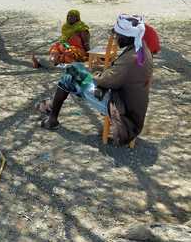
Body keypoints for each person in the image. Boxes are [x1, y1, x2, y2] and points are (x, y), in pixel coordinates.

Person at [41, 14, 153, 146]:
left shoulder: (131, 59)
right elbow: (115, 76)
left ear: (127, 37)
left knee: (70, 76)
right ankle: (51, 107)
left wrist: (92, 74)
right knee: (76, 69)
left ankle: (52, 118)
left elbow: (105, 81)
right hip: (130, 103)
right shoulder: (141, 49)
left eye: (118, 35)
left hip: (123, 112)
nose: (116, 38)